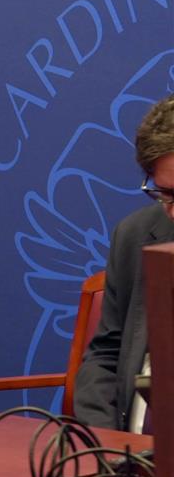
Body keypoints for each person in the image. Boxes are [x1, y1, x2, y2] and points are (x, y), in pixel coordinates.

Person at [75, 94, 174, 432]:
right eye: (166, 194)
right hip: (126, 450)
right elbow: (106, 354)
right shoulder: (135, 235)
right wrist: (104, 443)